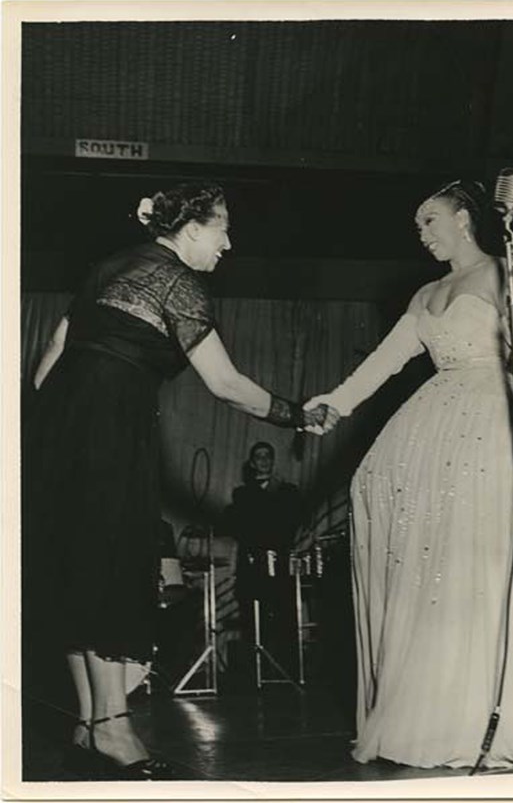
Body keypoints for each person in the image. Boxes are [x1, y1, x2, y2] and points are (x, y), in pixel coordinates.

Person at [304, 179, 513, 769]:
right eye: (419, 226)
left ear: (463, 219)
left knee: (500, 563)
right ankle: (452, 707)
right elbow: (387, 359)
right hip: (435, 428)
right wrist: (337, 401)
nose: (422, 234)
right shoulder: (426, 293)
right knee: (443, 572)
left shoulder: (504, 276)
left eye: (430, 221)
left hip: (496, 417)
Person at [22, 182, 321, 780]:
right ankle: (114, 730)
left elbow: (50, 356)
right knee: (110, 563)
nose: (228, 243)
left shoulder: (106, 266)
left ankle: (88, 726)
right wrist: (298, 414)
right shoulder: (178, 281)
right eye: (222, 229)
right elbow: (227, 384)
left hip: (59, 430)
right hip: (110, 429)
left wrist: (59, 428)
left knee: (76, 565)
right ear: (189, 231)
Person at [222, 441, 301, 679]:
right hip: (253, 566)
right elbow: (247, 526)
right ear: (253, 463)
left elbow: (288, 524)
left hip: (280, 564)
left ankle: (284, 671)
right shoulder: (243, 493)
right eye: (259, 457)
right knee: (252, 618)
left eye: (268, 456)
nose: (264, 460)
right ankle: (256, 673)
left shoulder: (289, 491)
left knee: (283, 615)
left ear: (273, 460)